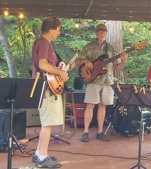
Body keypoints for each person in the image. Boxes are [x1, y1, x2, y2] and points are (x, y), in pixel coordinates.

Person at [31, 16, 75, 168]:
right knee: (47, 124)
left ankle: (39, 153)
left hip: (45, 86)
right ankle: (42, 157)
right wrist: (60, 73)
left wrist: (61, 70)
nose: (59, 33)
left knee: (47, 123)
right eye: (58, 30)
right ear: (50, 30)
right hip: (46, 89)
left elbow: (48, 66)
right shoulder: (44, 42)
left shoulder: (43, 43)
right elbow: (43, 64)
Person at [75, 23, 128, 142]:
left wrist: (123, 61)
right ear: (96, 33)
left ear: (107, 34)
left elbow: (116, 68)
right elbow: (78, 61)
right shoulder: (89, 46)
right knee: (90, 105)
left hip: (107, 81)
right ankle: (86, 132)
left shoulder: (110, 48)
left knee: (102, 106)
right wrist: (86, 61)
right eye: (99, 31)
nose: (102, 33)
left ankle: (100, 131)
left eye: (104, 32)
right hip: (93, 80)